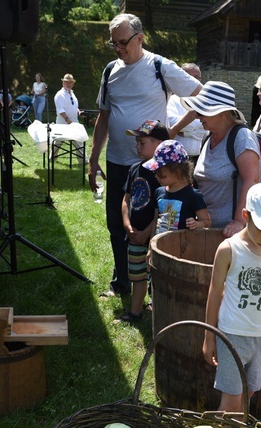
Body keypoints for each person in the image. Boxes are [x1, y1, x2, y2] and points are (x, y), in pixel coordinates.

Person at [88, 13, 202, 298]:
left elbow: (202, 95)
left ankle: (153, 287)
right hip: (116, 163)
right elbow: (104, 117)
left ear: (139, 38)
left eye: (122, 42)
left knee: (154, 225)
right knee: (117, 224)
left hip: (154, 168)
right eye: (112, 43)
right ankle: (123, 282)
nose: (117, 48)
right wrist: (92, 160)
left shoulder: (159, 66)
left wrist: (172, 130)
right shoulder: (109, 71)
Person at [202, 183, 261, 412]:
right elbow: (214, 294)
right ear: (246, 216)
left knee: (249, 391)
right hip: (232, 335)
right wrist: (209, 337)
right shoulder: (229, 250)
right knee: (232, 398)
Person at [181, 81, 260, 237]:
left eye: (202, 111)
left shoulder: (242, 137)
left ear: (222, 113)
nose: (197, 116)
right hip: (204, 228)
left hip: (230, 233)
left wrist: (239, 221)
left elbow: (252, 180)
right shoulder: (207, 136)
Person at [118, 120, 169, 322]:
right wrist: (126, 223)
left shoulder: (163, 174)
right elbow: (126, 198)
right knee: (137, 275)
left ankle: (158, 310)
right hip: (134, 233)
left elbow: (161, 208)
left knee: (156, 276)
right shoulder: (134, 169)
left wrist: (149, 232)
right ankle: (135, 312)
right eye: (136, 143)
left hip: (155, 235)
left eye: (142, 143)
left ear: (159, 144)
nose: (137, 147)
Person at [148, 140, 210, 234]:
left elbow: (207, 222)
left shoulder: (193, 195)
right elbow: (155, 222)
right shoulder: (158, 192)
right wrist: (151, 245)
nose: (156, 175)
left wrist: (196, 224)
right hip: (161, 246)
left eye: (160, 172)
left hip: (183, 246)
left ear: (177, 171)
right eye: (155, 172)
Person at [167, 63, 206, 163]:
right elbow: (171, 122)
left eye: (198, 78)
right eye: (191, 77)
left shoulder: (205, 103)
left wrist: (184, 132)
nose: (196, 81)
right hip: (177, 159)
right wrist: (199, 126)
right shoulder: (173, 100)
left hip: (201, 158)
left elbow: (209, 128)